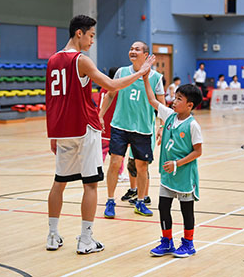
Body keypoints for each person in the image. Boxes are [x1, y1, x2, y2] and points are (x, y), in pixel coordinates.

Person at [45, 15, 155, 254]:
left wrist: (53, 132)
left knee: (59, 183)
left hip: (62, 130)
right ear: (79, 34)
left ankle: (52, 235)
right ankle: (86, 240)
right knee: (91, 185)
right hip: (84, 128)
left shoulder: (53, 60)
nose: (93, 40)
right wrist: (142, 72)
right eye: (91, 35)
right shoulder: (81, 60)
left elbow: (52, 100)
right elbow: (111, 86)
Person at [99, 41, 165, 219]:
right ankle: (110, 200)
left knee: (141, 167)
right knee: (114, 163)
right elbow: (110, 93)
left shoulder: (156, 78)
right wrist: (100, 114)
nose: (132, 51)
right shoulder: (122, 72)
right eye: (131, 49)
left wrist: (162, 127)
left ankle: (141, 202)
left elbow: (161, 105)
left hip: (143, 129)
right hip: (120, 125)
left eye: (137, 49)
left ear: (146, 55)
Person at [143, 79, 203, 258]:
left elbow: (198, 152)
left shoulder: (193, 125)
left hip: (184, 175)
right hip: (168, 175)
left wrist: (177, 163)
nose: (174, 101)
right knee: (163, 207)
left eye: (179, 99)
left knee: (186, 211)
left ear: (190, 105)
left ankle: (188, 243)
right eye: (175, 98)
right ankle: (167, 241)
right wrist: (145, 79)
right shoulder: (169, 115)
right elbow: (152, 100)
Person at [98, 67, 128, 182]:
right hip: (114, 122)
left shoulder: (103, 88)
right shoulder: (117, 89)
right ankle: (119, 174)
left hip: (102, 120)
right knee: (119, 150)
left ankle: (97, 171)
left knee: (102, 149)